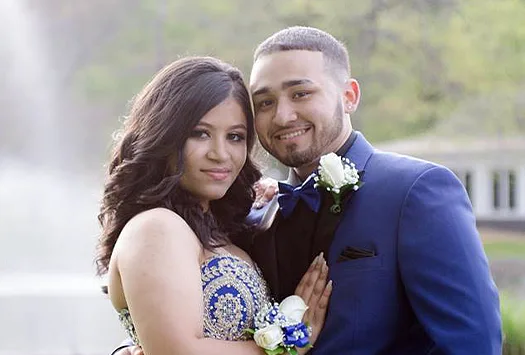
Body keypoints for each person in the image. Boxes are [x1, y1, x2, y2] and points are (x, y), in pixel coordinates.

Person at [113, 27, 502, 355]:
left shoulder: (416, 191)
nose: (283, 115)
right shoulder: (251, 216)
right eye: (264, 102)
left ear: (348, 95)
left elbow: (472, 344)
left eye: (300, 93)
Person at [96, 56, 331, 355]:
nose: (220, 154)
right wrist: (291, 346)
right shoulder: (156, 227)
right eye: (201, 133)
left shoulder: (219, 229)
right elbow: (178, 351)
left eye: (235, 137)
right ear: (164, 136)